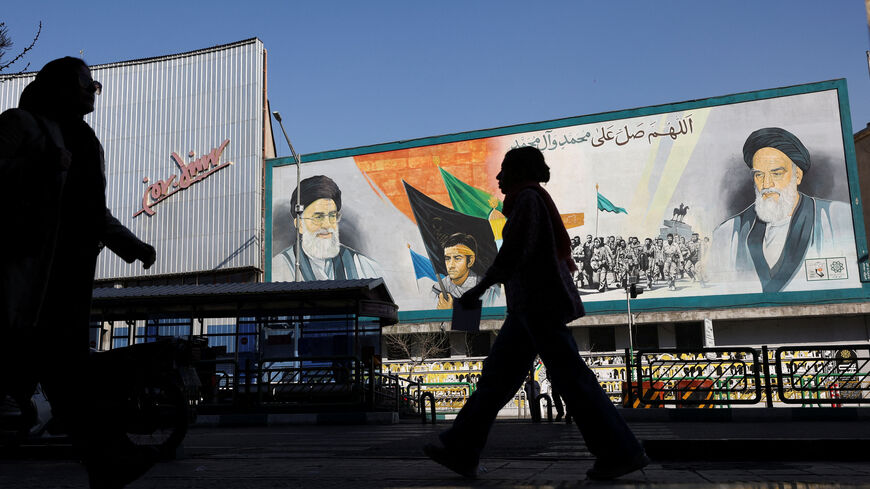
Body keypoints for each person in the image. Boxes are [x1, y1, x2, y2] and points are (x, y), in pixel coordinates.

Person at [423, 146, 648, 481]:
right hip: (527, 309)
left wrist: (477, 289)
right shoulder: (529, 201)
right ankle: (461, 447)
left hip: (538, 305)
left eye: (504, 171)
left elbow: (513, 253)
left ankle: (621, 452)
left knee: (568, 378)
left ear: (519, 172)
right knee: (498, 379)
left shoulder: (527, 200)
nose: (498, 178)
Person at [0, 57, 158, 488]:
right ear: (62, 87)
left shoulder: (86, 142)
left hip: (68, 279)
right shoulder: (22, 124)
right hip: (30, 274)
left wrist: (132, 245)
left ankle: (111, 459)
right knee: (63, 373)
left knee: (64, 374)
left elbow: (92, 212)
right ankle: (111, 458)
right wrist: (44, 165)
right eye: (88, 84)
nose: (93, 91)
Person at [711, 127, 853, 293]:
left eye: (776, 173)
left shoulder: (836, 218)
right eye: (759, 175)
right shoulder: (728, 234)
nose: (766, 184)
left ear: (797, 175)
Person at [272, 175, 381, 281]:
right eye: (318, 217)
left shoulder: (363, 266)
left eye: (332, 216)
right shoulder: (280, 267)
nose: (327, 225)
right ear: (300, 224)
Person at [432, 232, 500, 309]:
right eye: (447, 258)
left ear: (470, 261)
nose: (450, 265)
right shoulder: (436, 290)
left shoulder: (489, 292)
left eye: (457, 258)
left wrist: (448, 313)